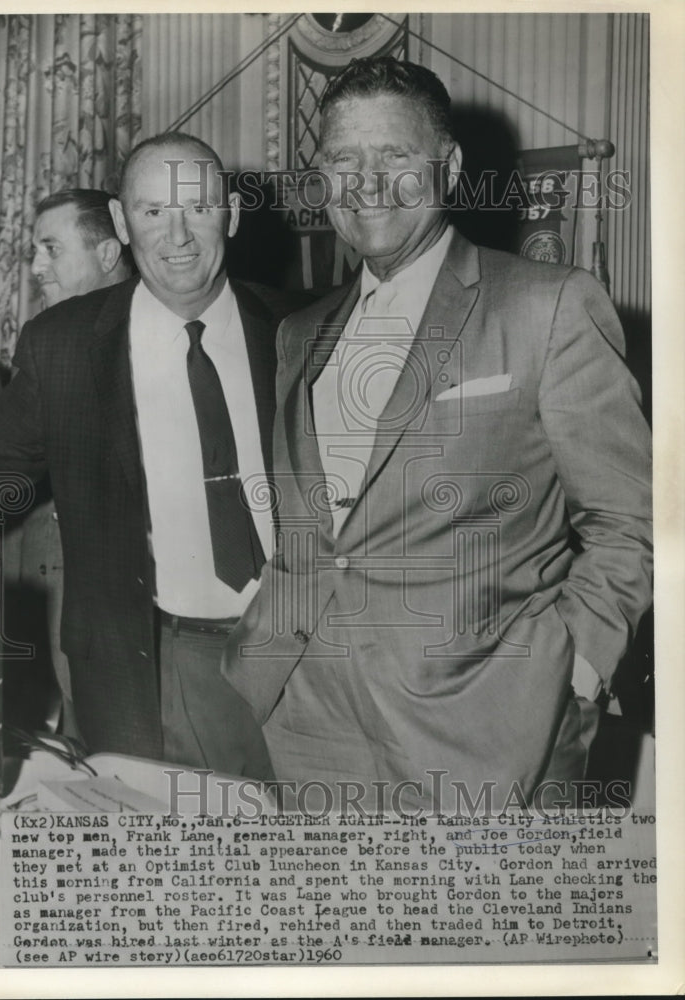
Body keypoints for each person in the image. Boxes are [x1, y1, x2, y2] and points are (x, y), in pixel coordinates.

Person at [222, 57, 653, 811]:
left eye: (394, 154)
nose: (367, 180)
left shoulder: (546, 307)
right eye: (343, 159)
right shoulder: (298, 333)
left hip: (490, 733)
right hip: (305, 723)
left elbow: (631, 518)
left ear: (448, 168)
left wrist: (576, 667)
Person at [0, 134, 303, 779]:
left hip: (299, 654)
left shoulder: (303, 328)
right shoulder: (61, 346)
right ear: (119, 222)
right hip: (147, 664)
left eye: (198, 209)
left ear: (234, 214)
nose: (177, 236)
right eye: (153, 211)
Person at [0, 189, 136, 738]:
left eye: (51, 249)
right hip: (51, 566)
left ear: (106, 253)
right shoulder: (51, 337)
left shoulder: (154, 324)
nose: (36, 267)